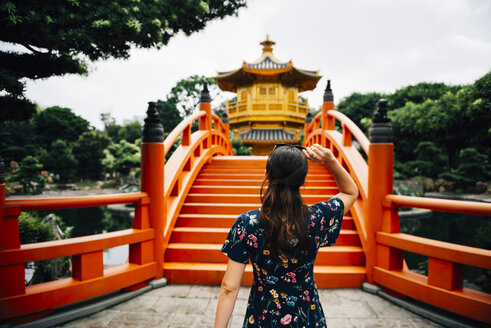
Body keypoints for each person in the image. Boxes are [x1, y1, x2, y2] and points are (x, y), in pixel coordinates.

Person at [215, 143, 359, 328]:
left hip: (262, 319)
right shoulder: (318, 218)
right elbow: (350, 192)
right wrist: (329, 160)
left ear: (268, 175)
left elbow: (229, 288)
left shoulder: (246, 223)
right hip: (307, 317)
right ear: (302, 178)